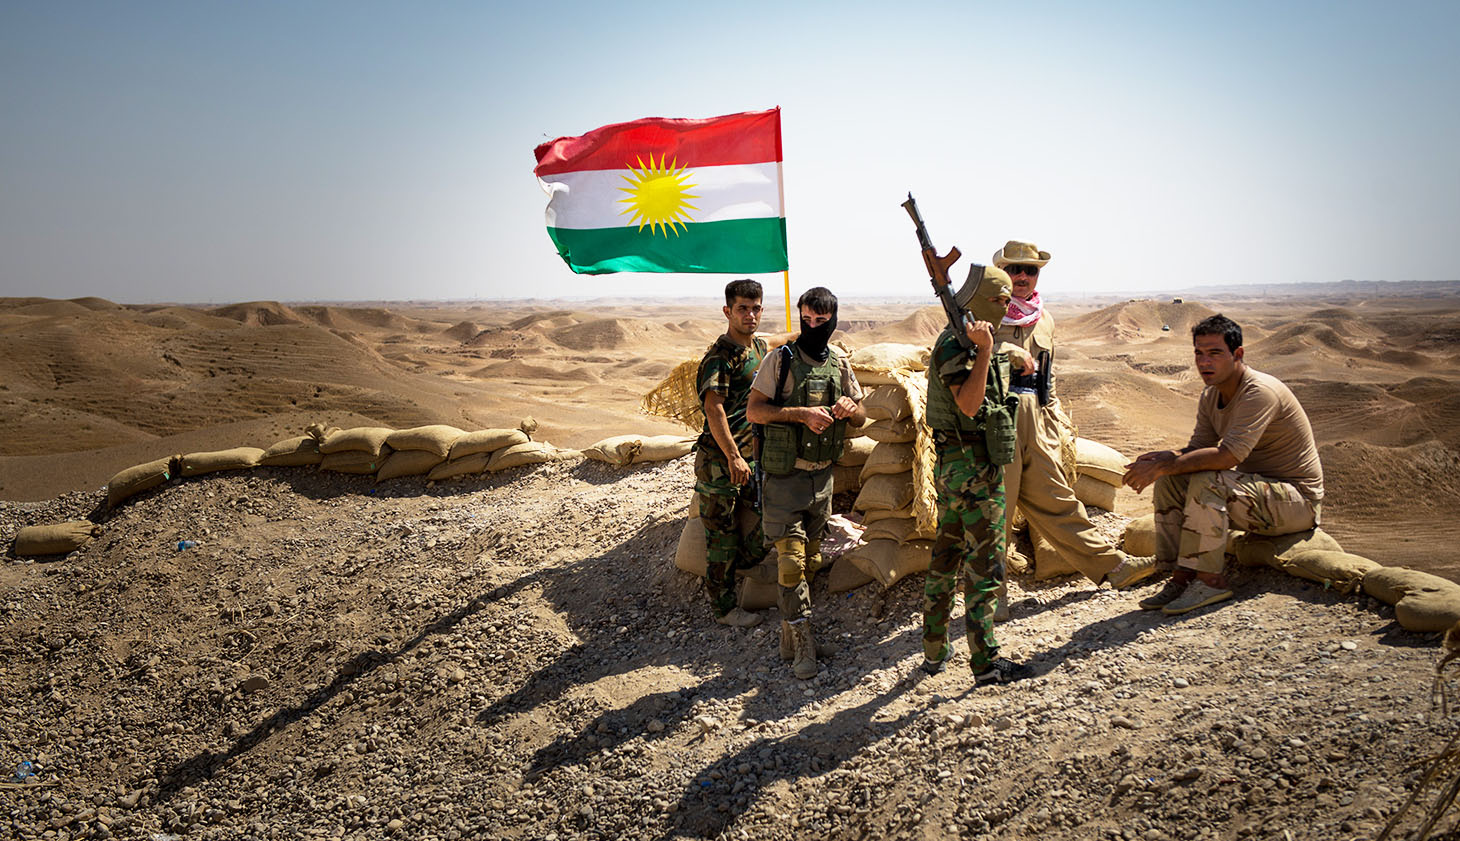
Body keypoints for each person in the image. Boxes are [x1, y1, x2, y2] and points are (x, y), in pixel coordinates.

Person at [1122, 314, 1324, 615]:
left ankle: (1210, 582)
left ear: (1237, 354)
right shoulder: (1211, 394)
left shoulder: (1259, 392)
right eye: (1199, 353)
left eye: (1215, 353)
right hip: (1256, 493)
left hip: (1297, 502)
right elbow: (1197, 449)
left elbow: (1229, 456)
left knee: (1208, 481)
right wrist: (1163, 459)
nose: (1204, 362)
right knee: (1171, 481)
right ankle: (1180, 576)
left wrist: (1168, 464)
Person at [991, 241, 1152, 599]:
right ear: (1001, 273)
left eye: (1030, 270)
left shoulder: (1043, 317)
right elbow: (963, 358)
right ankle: (990, 603)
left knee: (1058, 499)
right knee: (995, 510)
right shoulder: (984, 311)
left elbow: (1047, 374)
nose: (1022, 276)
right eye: (1014, 269)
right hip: (996, 417)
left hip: (1037, 417)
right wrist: (1007, 351)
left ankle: (1113, 568)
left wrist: (1052, 421)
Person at [920, 264, 1032, 684]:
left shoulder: (967, 341)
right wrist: (985, 352)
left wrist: (997, 352)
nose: (1005, 307)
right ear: (981, 301)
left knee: (945, 559)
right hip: (973, 472)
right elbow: (968, 405)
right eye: (999, 300)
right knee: (985, 568)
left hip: (957, 468)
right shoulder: (957, 344)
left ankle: (934, 652)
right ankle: (985, 663)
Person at [746, 287, 865, 679]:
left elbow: (862, 416)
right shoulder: (779, 360)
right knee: (792, 564)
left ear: (833, 320)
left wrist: (851, 407)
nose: (813, 326)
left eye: (821, 321)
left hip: (822, 480)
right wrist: (800, 414)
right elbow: (755, 411)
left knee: (811, 562)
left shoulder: (839, 362)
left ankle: (788, 638)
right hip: (785, 480)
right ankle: (803, 645)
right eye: (807, 320)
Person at [694, 279, 775, 628]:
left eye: (756, 308)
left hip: (751, 458)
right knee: (721, 537)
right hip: (720, 462)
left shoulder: (758, 347)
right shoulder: (719, 359)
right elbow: (714, 409)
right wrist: (733, 457)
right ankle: (724, 609)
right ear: (728, 311)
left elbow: (779, 343)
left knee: (772, 515)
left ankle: (741, 564)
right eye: (743, 308)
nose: (750, 315)